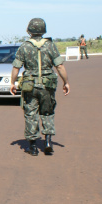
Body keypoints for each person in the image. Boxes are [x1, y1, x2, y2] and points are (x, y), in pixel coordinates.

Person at [10, 18, 70, 156]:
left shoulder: (24, 47)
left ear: (29, 30)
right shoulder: (51, 45)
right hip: (47, 85)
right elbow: (59, 66)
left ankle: (33, 146)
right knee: (47, 112)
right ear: (43, 30)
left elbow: (16, 67)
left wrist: (12, 83)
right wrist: (65, 82)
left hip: (30, 86)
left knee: (31, 114)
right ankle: (48, 141)